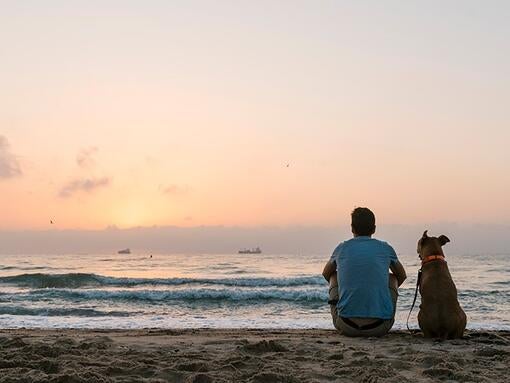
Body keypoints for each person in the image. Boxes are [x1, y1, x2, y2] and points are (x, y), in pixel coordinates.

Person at [322, 207, 406, 337]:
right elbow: (402, 275)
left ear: (352, 228)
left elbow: (326, 273)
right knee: (392, 278)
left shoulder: (342, 248)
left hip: (346, 325)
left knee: (334, 275)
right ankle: (380, 309)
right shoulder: (385, 248)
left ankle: (345, 307)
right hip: (380, 327)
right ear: (374, 229)